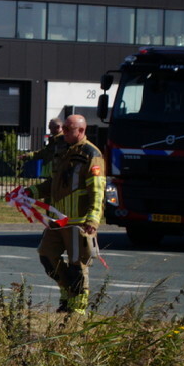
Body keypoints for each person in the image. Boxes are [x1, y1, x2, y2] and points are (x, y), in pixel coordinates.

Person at [27, 113, 106, 314]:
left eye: (68, 129)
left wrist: (93, 219)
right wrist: (30, 193)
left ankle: (77, 308)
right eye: (64, 128)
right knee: (46, 255)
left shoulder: (91, 154)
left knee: (77, 264)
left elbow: (97, 190)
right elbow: (54, 183)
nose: (63, 132)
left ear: (81, 131)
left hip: (79, 221)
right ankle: (67, 291)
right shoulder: (61, 149)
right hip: (57, 220)